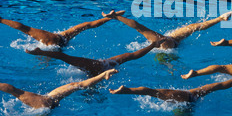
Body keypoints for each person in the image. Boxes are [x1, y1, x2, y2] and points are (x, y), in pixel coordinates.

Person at [0, 69, 118, 109]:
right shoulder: (43, 104)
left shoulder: (44, 105)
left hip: (48, 101)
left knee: (17, 92)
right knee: (77, 85)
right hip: (47, 101)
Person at [26, 39, 166, 76]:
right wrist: (152, 45)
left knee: (66, 58)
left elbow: (135, 55)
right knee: (65, 58)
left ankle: (41, 52)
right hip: (95, 67)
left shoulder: (109, 64)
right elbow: (135, 55)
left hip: (96, 68)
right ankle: (41, 52)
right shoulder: (110, 64)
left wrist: (153, 45)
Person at [102, 10, 232, 50]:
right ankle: (219, 18)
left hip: (168, 43)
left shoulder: (159, 42)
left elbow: (138, 27)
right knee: (194, 27)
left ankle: (115, 16)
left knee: (141, 30)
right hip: (170, 42)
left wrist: (116, 16)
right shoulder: (163, 42)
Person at [0, 10, 125, 47]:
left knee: (27, 30)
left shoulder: (51, 41)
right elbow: (90, 25)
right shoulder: (65, 38)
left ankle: (0, 19)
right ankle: (112, 17)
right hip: (61, 40)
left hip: (55, 41)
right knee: (87, 25)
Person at [110, 69, 232, 103]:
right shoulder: (188, 97)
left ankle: (126, 91)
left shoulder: (184, 99)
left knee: (154, 93)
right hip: (188, 97)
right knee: (216, 86)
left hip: (187, 98)